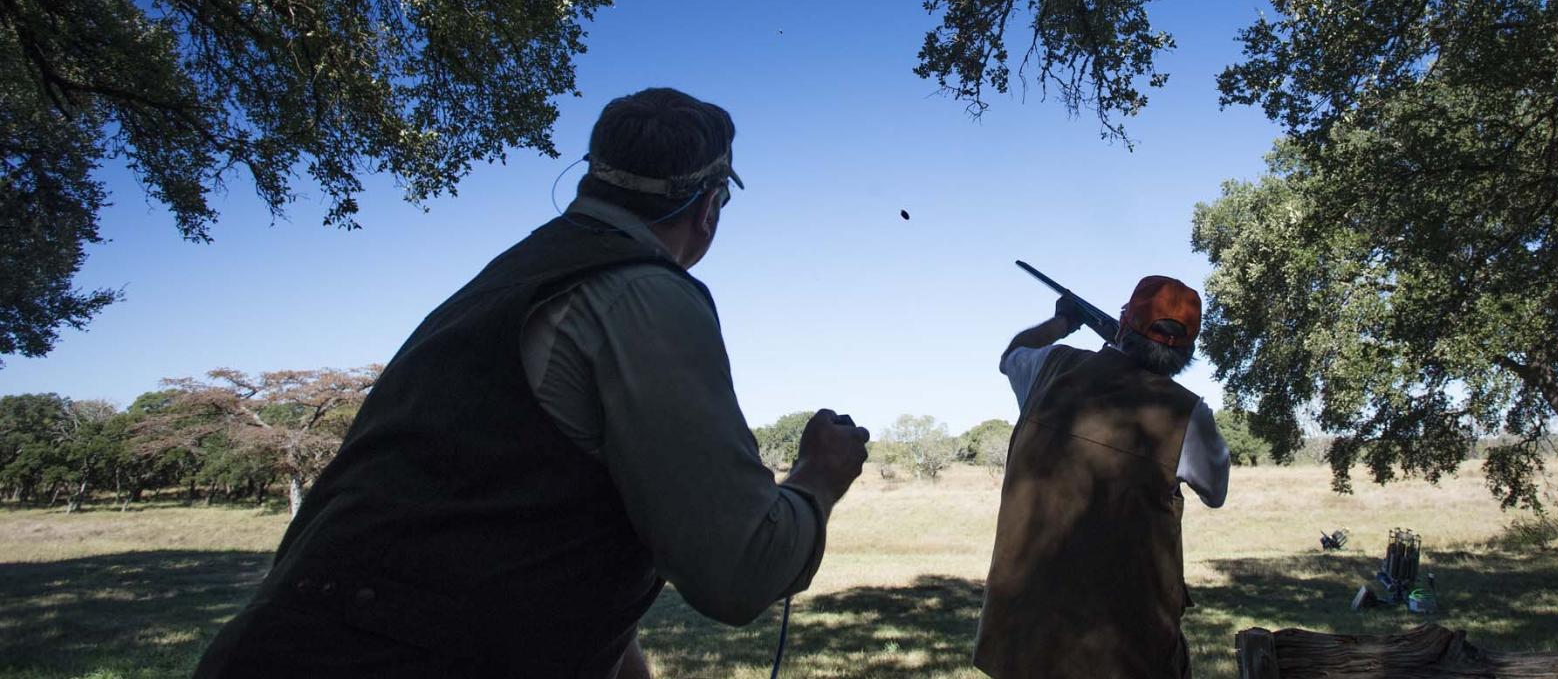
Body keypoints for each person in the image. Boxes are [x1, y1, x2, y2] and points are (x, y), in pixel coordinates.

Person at [195, 88, 870, 679]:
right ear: (710, 208)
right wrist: (817, 477)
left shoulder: (502, 285)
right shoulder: (642, 292)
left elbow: (527, 534)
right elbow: (738, 573)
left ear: (590, 185)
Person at [974, 276, 1230, 679]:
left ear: (1125, 322)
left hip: (1022, 642)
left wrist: (1063, 322)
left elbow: (1013, 354)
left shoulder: (1050, 368)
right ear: (1188, 350)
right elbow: (1216, 491)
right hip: (1123, 651)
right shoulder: (1188, 415)